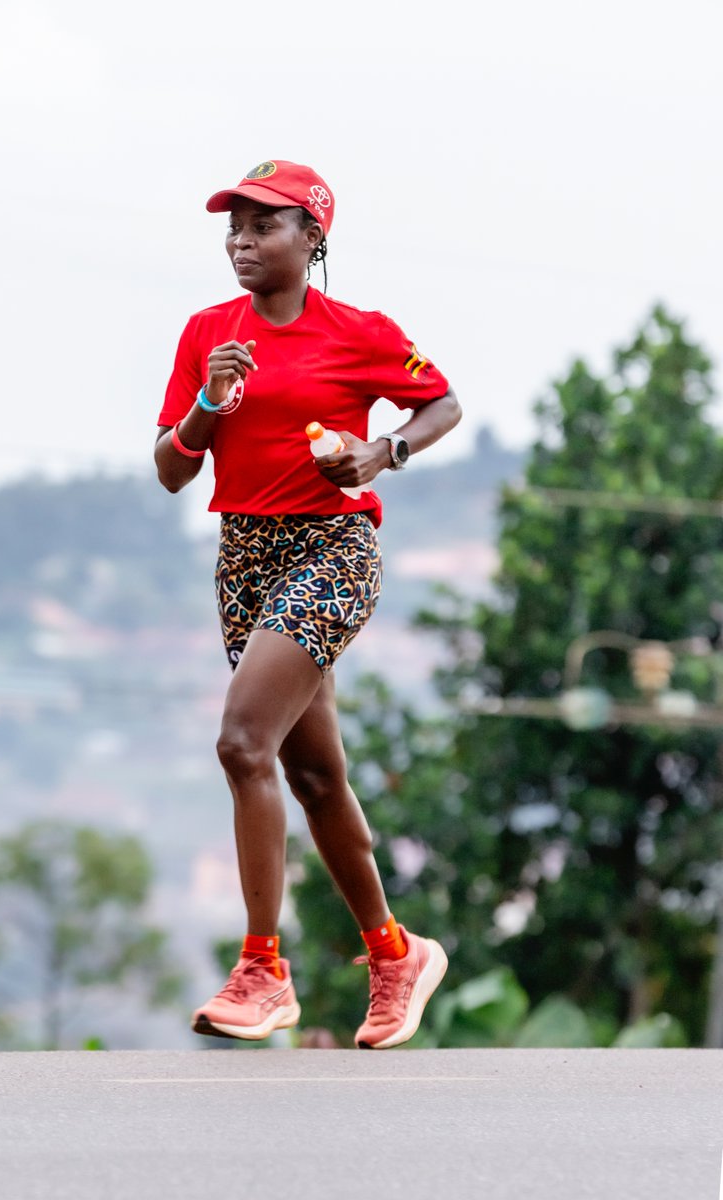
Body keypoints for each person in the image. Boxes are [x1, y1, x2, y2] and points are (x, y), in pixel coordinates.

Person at [154, 159, 461, 1049]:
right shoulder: (208, 334)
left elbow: (440, 403)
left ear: (312, 238)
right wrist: (210, 401)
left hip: (333, 548)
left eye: (264, 225)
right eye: (234, 227)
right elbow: (173, 469)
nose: (241, 241)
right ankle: (396, 952)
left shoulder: (360, 332)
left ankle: (263, 968)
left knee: (242, 741)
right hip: (244, 554)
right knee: (314, 776)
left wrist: (381, 454)